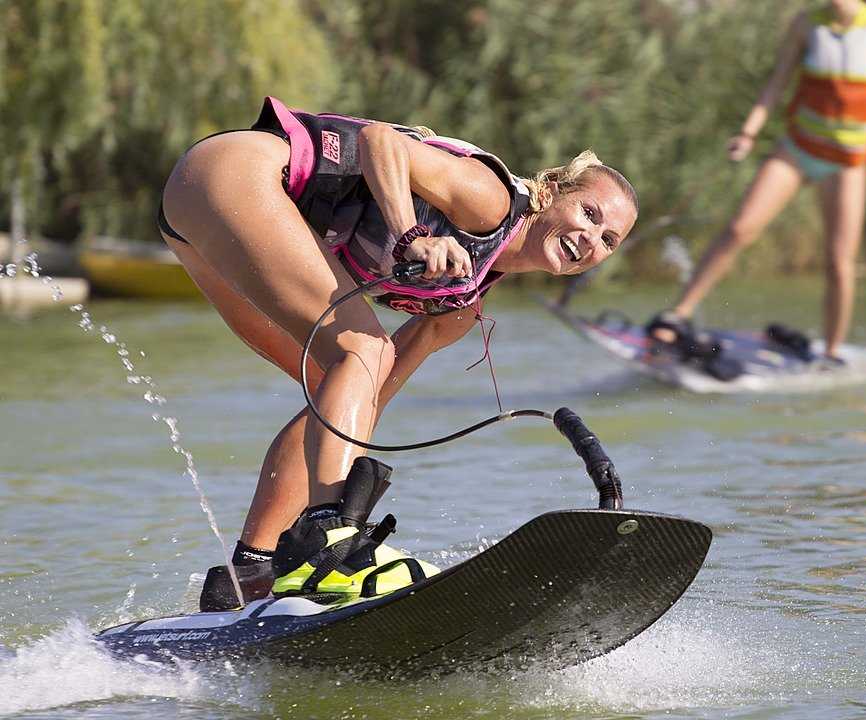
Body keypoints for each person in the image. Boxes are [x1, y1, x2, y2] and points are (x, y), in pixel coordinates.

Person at [159, 96, 638, 610]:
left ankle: (250, 570)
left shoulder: (462, 304)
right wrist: (412, 235)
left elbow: (368, 398)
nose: (590, 239)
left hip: (192, 214)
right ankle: (331, 540)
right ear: (551, 194)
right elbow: (380, 141)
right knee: (362, 349)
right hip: (237, 173)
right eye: (588, 214)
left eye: (608, 241)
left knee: (340, 388)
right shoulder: (491, 201)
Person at [648, 0, 866, 363]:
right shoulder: (805, 23)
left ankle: (831, 353)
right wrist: (748, 133)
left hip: (848, 162)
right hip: (798, 149)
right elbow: (777, 84)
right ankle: (679, 314)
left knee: (838, 262)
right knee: (739, 229)